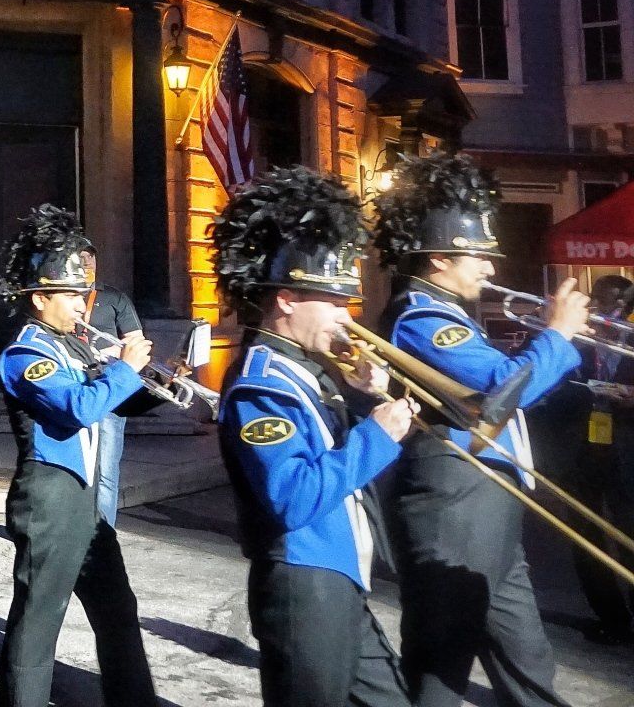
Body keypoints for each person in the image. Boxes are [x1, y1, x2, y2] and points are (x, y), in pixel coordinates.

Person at [373, 151, 585, 707]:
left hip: (485, 501)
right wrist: (557, 336)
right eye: (479, 257)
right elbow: (499, 392)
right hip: (453, 505)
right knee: (441, 662)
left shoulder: (448, 314)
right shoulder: (420, 315)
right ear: (440, 259)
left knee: (529, 659)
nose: (491, 269)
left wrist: (546, 345)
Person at [212, 166, 418, 707]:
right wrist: (376, 433)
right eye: (331, 302)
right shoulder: (262, 384)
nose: (345, 319)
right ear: (286, 299)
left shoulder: (305, 370)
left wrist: (362, 399)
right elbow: (292, 496)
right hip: (303, 583)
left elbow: (328, 453)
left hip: (339, 575)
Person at [0, 204, 156, 707]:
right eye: (70, 294)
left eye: (82, 293)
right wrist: (122, 369)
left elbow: (117, 396)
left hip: (83, 500)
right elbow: (77, 408)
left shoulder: (73, 346)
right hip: (48, 497)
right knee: (41, 616)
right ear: (39, 298)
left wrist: (157, 384)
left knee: (117, 608)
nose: (83, 304)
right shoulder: (25, 354)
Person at [532, 273, 634, 646]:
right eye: (602, 302)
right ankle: (611, 618)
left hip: (626, 444)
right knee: (584, 534)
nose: (608, 309)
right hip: (581, 446)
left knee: (629, 533)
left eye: (618, 303)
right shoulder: (579, 336)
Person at [83, 277, 140, 526]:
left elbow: (135, 341)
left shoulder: (114, 297)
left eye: (91, 259)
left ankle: (104, 532)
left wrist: (117, 353)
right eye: (82, 259)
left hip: (109, 382)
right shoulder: (67, 298)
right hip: (78, 384)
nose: (87, 265)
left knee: (107, 466)